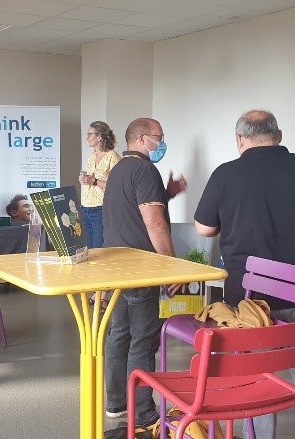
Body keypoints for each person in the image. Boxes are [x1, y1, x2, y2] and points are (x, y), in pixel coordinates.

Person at [193, 110, 295, 439]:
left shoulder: (225, 174)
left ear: (240, 140)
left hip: (247, 301)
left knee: (255, 376)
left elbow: (204, 228)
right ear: (279, 135)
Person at [102, 117, 187, 431]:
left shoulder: (119, 170)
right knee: (143, 339)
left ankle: (116, 403)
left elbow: (136, 208)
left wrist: (168, 193)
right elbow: (153, 221)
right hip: (142, 269)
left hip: (117, 267)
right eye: (158, 137)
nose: (162, 142)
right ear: (141, 139)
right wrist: (172, 267)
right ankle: (143, 412)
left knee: (119, 335)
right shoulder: (145, 170)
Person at [78, 121, 121, 248]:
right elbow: (90, 180)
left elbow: (116, 186)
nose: (87, 138)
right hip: (85, 207)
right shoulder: (91, 157)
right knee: (87, 249)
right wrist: (85, 180)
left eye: (90, 134)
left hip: (100, 208)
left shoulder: (113, 157)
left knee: (98, 248)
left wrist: (94, 181)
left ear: (99, 137)